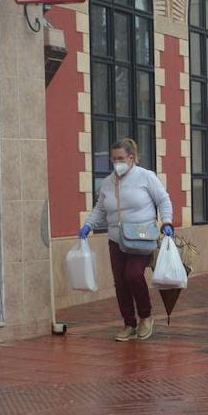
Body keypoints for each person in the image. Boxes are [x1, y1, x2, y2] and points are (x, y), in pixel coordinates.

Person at [80, 138, 173, 341]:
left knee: (133, 275)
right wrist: (88, 225)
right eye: (113, 159)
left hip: (141, 236)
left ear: (131, 158)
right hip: (116, 238)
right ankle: (129, 323)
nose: (117, 162)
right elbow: (100, 208)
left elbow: (163, 199)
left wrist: (167, 222)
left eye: (121, 158)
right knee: (120, 282)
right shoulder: (108, 182)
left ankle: (146, 317)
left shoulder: (146, 177)